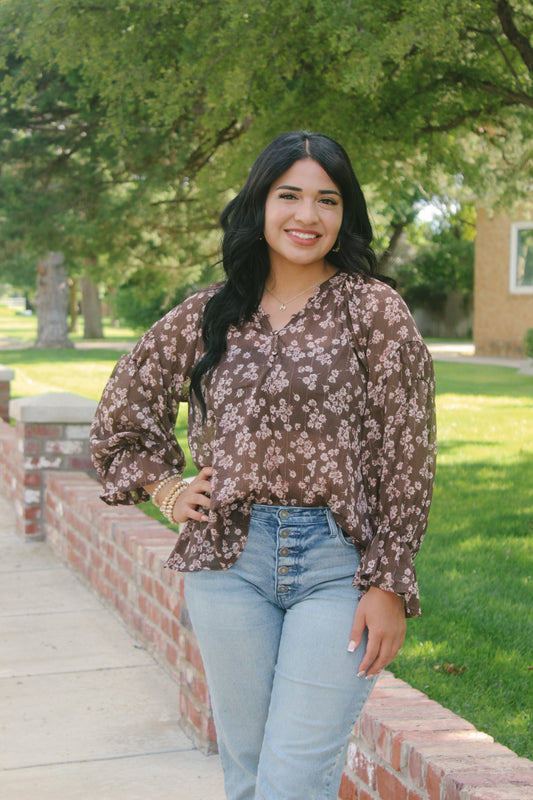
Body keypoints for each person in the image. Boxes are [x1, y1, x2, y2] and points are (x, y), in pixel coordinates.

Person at [90, 130, 436, 800]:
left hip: (337, 567)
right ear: (259, 203)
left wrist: (389, 581)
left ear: (345, 215)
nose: (307, 216)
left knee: (292, 781)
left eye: (327, 200)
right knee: (249, 778)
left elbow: (407, 453)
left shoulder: (372, 311)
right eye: (290, 195)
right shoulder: (211, 311)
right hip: (228, 565)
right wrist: (165, 487)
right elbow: (121, 411)